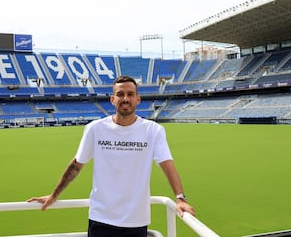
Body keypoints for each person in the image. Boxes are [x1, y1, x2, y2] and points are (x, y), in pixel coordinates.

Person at [27, 75, 195, 237]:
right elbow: (77, 164)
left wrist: (180, 198)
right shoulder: (95, 129)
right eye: (120, 94)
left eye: (130, 94)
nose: (125, 99)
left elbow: (167, 164)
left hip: (136, 221)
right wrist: (54, 195)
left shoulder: (153, 130)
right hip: (101, 219)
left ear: (138, 99)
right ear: (112, 99)